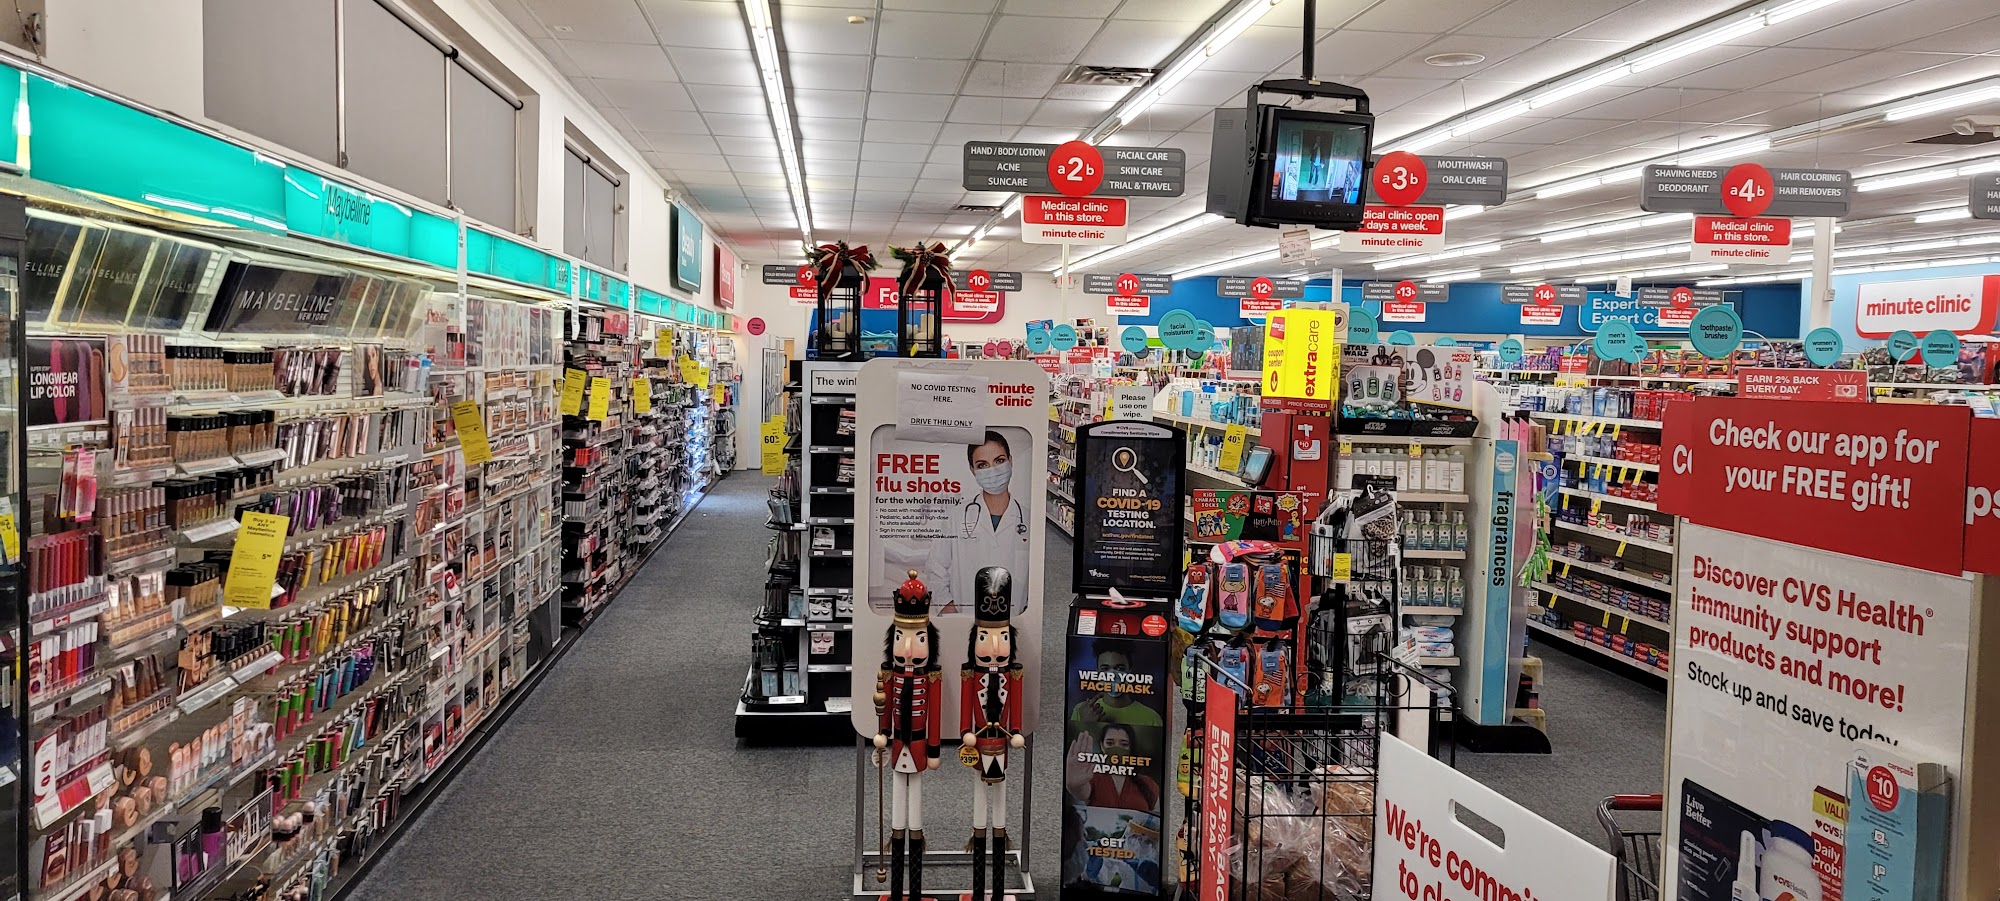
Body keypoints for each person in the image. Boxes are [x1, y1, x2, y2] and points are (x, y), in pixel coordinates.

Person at [912, 430, 1032, 613]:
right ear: (972, 470)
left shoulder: (1029, 519)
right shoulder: (956, 515)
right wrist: (946, 606)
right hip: (965, 617)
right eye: (982, 465)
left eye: (999, 461)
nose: (992, 471)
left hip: (1014, 618)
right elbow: (935, 566)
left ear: (1011, 460)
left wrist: (1028, 615)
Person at [1066, 648, 1163, 739]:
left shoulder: (1152, 718)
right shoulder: (1081, 710)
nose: (1112, 675)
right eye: (1105, 669)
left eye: (1120, 669)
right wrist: (1086, 723)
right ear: (1097, 673)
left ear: (1130, 672)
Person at [1064, 723, 1161, 812]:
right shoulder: (1092, 777)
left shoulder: (1148, 784)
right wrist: (1074, 785)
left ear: (1131, 748)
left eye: (1124, 744)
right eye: (1110, 743)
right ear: (1102, 746)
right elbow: (1081, 793)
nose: (1116, 748)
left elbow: (1157, 818)